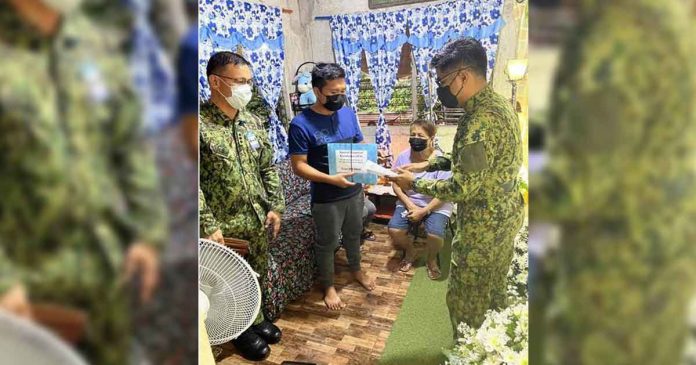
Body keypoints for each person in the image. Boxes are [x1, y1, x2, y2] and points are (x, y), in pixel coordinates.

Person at [0, 1, 167, 364]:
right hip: (26, 278)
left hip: (107, 263)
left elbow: (129, 144)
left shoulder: (92, 45)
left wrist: (148, 233)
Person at [390, 37, 524, 333]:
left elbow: (463, 187)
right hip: (507, 210)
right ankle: (493, 344)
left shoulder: (479, 120)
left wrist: (415, 181)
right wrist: (430, 164)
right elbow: (473, 160)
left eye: (444, 82)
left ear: (463, 76)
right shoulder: (499, 104)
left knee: (466, 301)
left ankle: (470, 349)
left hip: (485, 221)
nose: (442, 91)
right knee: (494, 288)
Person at [198, 51, 284, 361]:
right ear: (216, 82)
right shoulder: (197, 126)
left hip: (257, 219)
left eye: (249, 82)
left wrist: (276, 206)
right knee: (227, 283)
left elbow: (268, 169)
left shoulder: (253, 121)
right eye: (240, 82)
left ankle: (257, 319)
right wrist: (208, 226)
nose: (246, 88)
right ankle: (239, 331)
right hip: (224, 227)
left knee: (256, 273)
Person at [288, 63, 375, 311]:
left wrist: (368, 171)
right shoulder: (301, 124)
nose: (339, 97)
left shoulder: (348, 114)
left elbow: (358, 145)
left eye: (342, 91)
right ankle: (328, 285)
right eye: (333, 93)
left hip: (354, 191)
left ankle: (356, 269)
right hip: (326, 198)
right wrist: (330, 179)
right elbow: (299, 166)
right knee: (326, 242)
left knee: (353, 233)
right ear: (317, 91)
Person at [388, 120, 453, 280]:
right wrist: (409, 204)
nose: (415, 138)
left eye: (421, 136)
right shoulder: (403, 157)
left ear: (432, 138)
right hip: (410, 202)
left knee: (435, 236)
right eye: (413, 135)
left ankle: (431, 259)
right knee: (394, 230)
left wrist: (424, 211)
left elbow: (443, 193)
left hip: (436, 204)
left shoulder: (441, 160)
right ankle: (410, 251)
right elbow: (396, 185)